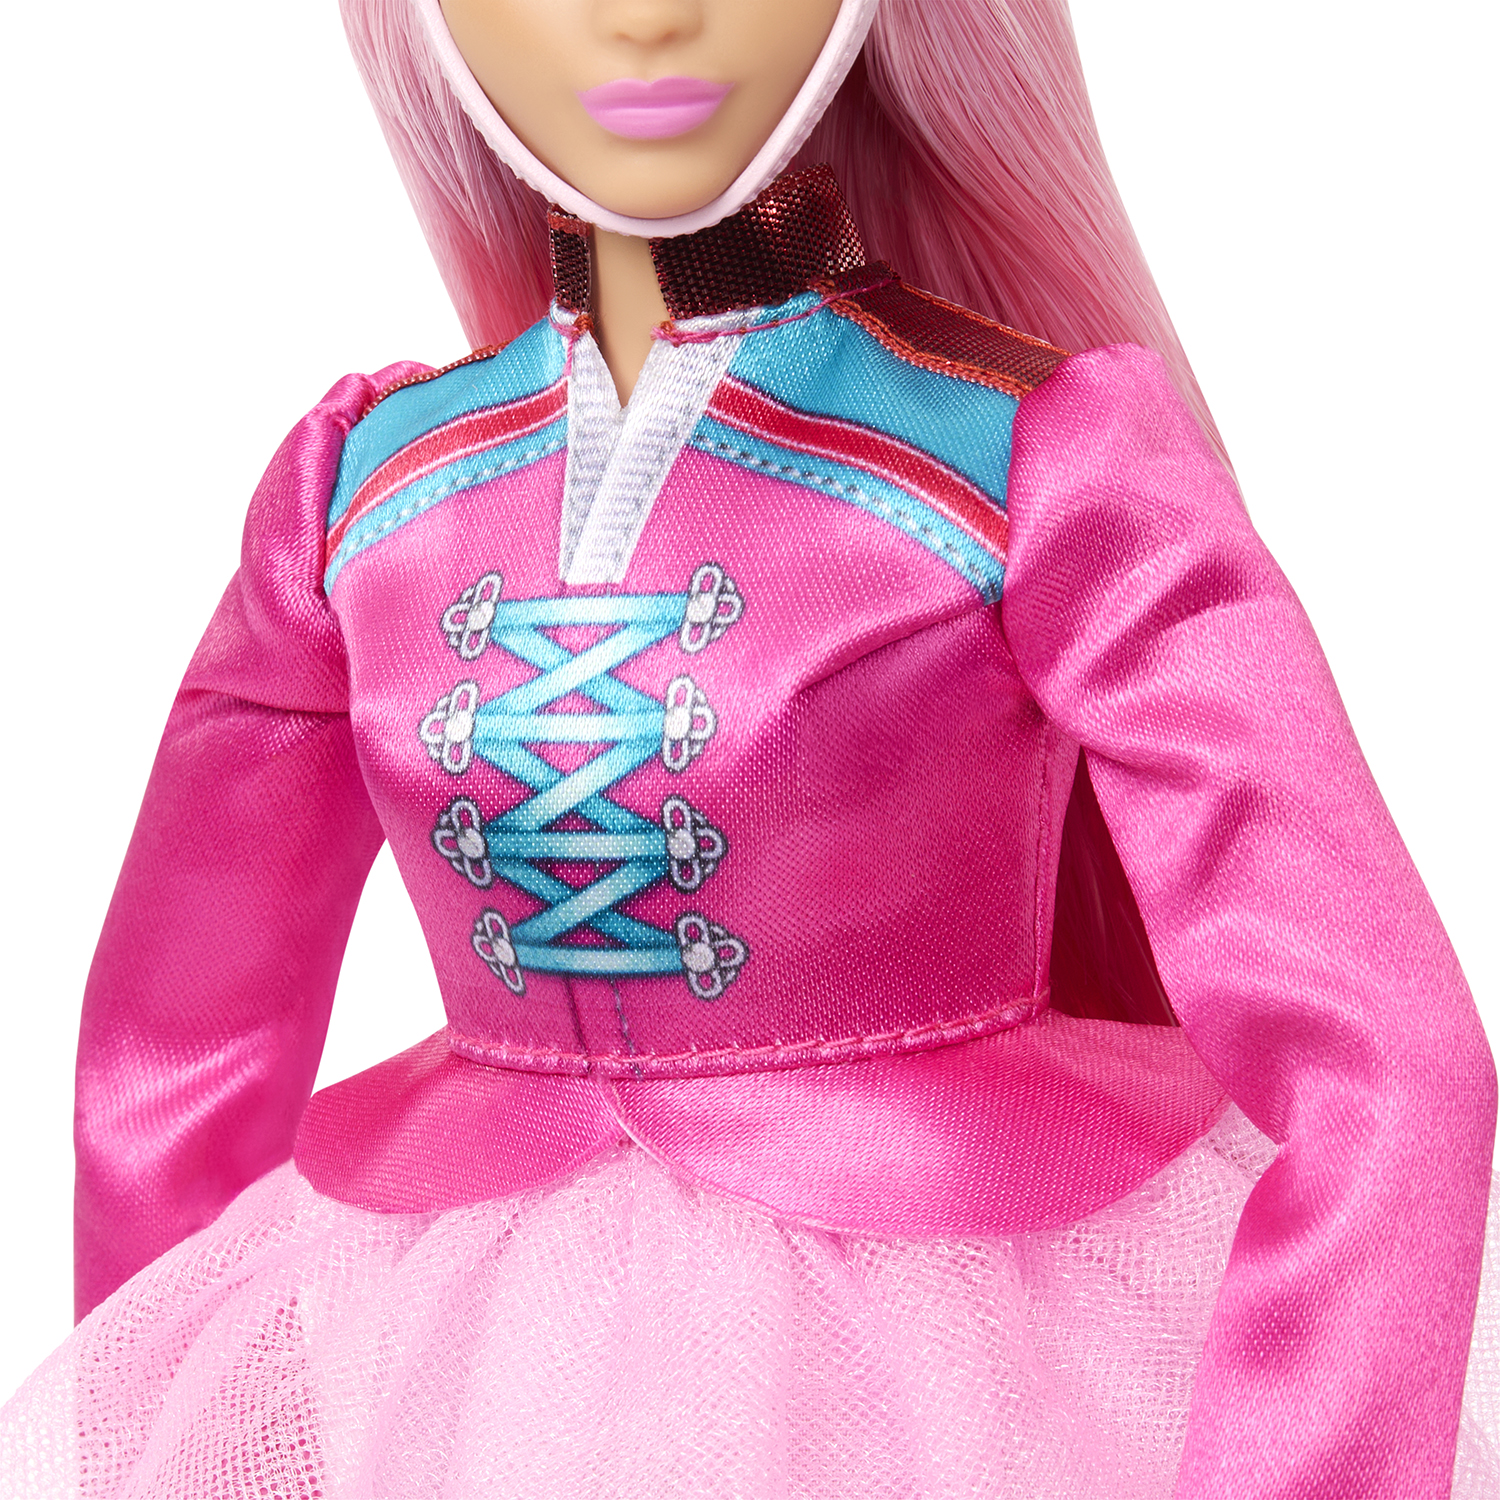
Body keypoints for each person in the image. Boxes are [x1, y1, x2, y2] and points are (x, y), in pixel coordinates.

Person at [1, 0, 1495, 1495]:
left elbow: (1381, 1054)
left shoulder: (1023, 461)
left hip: (953, 1350)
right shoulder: (362, 493)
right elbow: (178, 1056)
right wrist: (165, 1442)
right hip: (477, 1365)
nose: (648, 16)